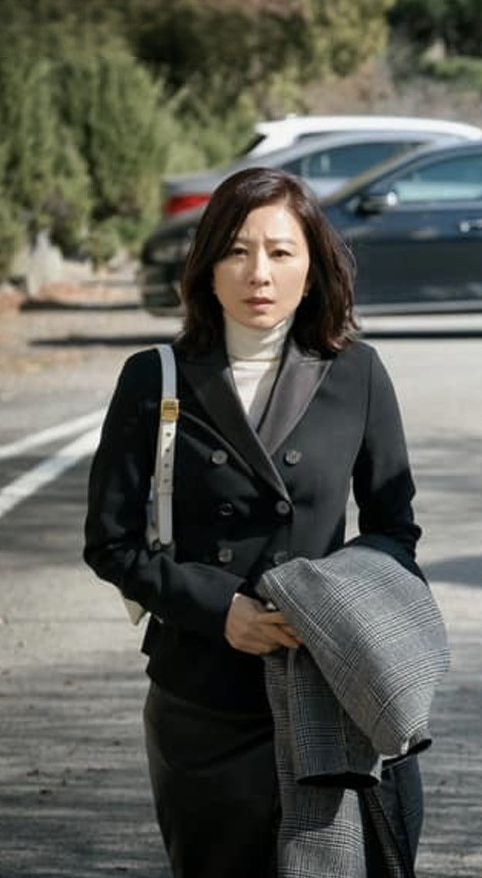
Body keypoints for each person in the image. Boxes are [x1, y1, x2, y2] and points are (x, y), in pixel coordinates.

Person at [84, 167, 424, 877]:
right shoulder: (156, 378)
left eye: (280, 251)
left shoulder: (357, 373)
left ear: (313, 267)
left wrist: (333, 606)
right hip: (203, 701)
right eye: (236, 251)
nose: (258, 273)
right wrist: (221, 611)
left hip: (328, 689)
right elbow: (110, 543)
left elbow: (394, 531)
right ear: (207, 268)